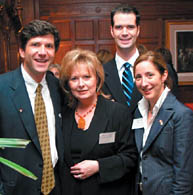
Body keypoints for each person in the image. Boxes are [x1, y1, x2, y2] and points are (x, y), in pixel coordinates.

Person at [60, 48, 138, 195]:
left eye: (86, 77)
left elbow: (130, 157)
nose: (81, 84)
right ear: (68, 84)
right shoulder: (62, 115)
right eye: (74, 79)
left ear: (98, 78)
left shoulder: (117, 113)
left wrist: (98, 166)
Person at [0, 19, 64, 195]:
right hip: (15, 189)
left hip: (55, 187)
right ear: (22, 51)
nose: (42, 52)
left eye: (49, 46)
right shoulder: (2, 88)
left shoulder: (59, 87)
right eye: (35, 45)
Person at [132, 51, 193, 195]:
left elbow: (184, 173)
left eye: (150, 75)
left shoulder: (181, 115)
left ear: (164, 75)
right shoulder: (138, 111)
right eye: (138, 77)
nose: (144, 83)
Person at [102, 4, 142, 114]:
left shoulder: (157, 70)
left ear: (138, 30)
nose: (125, 33)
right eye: (119, 27)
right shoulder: (100, 73)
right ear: (112, 31)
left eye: (130, 27)